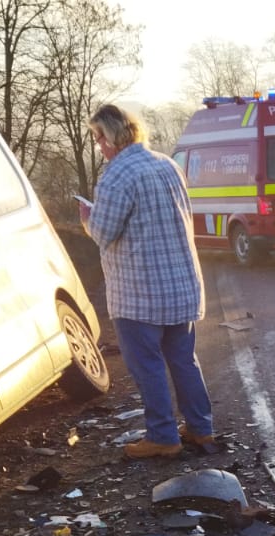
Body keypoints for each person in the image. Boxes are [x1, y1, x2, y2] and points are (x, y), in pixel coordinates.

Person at [79, 103, 217, 461]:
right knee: (184, 360)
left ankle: (162, 436)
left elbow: (104, 233)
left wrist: (87, 218)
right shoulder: (167, 164)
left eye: (99, 137)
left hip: (139, 293)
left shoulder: (117, 175)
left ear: (111, 136)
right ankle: (201, 428)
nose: (98, 145)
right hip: (181, 285)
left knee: (148, 366)